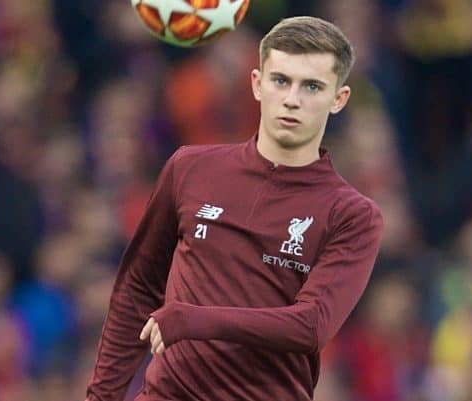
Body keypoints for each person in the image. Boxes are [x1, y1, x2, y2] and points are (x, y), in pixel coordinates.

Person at [85, 16, 384, 401]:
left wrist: (193, 318)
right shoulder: (189, 168)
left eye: (312, 86)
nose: (292, 98)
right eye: (281, 81)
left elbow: (311, 326)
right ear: (257, 84)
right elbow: (137, 289)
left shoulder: (351, 214)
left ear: (338, 99)